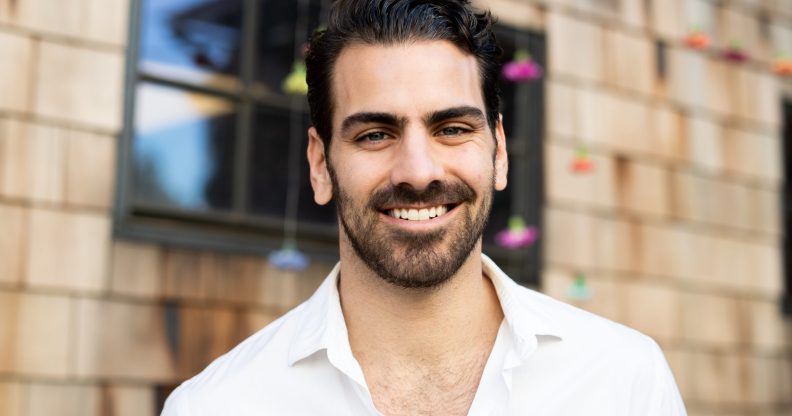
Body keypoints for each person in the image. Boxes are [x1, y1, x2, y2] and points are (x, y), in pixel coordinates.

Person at [161, 1, 687, 415]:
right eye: (374, 134)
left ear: (499, 153)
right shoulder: (214, 406)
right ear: (320, 165)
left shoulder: (625, 380)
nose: (417, 171)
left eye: (452, 129)